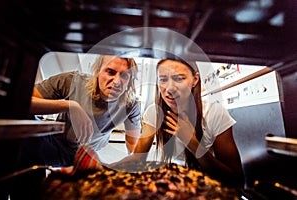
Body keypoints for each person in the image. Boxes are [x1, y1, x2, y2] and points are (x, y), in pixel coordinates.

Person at [117, 58, 244, 187]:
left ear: (195, 80)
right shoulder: (154, 112)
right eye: (163, 79)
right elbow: (137, 159)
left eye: (179, 79)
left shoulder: (214, 113)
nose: (170, 88)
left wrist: (193, 143)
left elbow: (236, 181)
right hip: (170, 187)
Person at [30, 55, 141, 166]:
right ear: (98, 72)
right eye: (110, 72)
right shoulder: (73, 82)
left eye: (124, 75)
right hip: (58, 146)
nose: (117, 81)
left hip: (90, 154)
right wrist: (70, 106)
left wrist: (132, 166)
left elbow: (133, 145)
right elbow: (23, 102)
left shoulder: (131, 105)